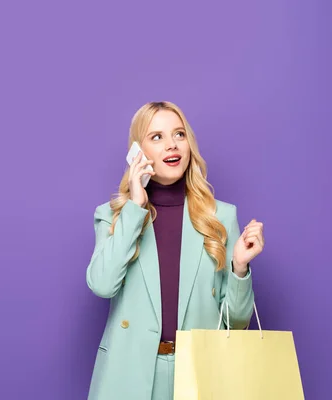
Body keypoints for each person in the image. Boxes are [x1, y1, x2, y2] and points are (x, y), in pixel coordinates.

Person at [85, 101, 265, 400]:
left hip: (198, 373)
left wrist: (239, 268)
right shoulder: (114, 215)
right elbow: (102, 285)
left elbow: (236, 323)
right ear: (137, 152)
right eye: (157, 137)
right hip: (127, 373)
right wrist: (135, 207)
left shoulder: (220, 217)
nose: (172, 145)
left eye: (179, 134)